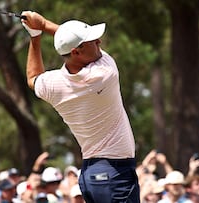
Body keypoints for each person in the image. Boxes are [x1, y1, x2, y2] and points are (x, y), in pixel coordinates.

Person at [20, 11, 140, 202]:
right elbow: (63, 40)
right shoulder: (104, 73)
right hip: (115, 172)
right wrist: (43, 24)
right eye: (93, 41)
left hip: (89, 174)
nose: (99, 42)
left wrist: (35, 36)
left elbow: (33, 78)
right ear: (76, 52)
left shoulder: (54, 85)